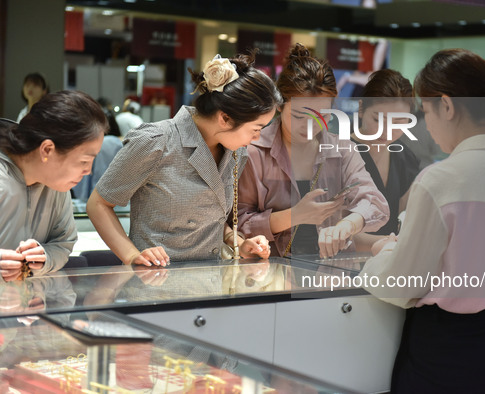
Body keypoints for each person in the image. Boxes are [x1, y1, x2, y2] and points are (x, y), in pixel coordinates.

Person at [361, 49, 485, 393]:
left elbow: (403, 283)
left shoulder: (440, 181)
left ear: (446, 105)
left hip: (447, 359)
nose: (425, 125)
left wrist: (378, 259)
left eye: (425, 111)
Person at [86, 53, 282, 266]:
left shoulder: (235, 152)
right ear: (225, 118)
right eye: (256, 129)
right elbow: (98, 204)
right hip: (156, 284)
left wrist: (238, 241)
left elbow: (211, 217)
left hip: (212, 282)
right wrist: (132, 256)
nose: (257, 138)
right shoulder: (156, 142)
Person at [237, 43, 389, 258]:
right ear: (279, 104)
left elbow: (375, 203)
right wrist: (295, 215)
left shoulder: (343, 150)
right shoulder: (253, 150)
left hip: (331, 272)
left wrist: (347, 225)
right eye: (300, 116)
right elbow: (237, 223)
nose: (311, 127)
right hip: (270, 275)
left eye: (323, 117)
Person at [0, 90, 107, 280]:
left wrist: (44, 259)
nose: (88, 171)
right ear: (47, 150)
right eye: (83, 161)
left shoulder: (56, 184)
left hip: (25, 304)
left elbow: (63, 241)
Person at [351, 69, 420, 252]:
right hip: (341, 269)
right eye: (378, 119)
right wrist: (393, 244)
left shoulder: (405, 157)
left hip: (387, 267)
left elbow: (404, 219)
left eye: (398, 122)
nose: (387, 130)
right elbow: (330, 227)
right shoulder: (339, 152)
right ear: (360, 109)